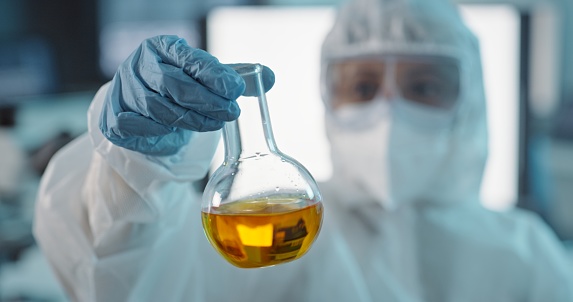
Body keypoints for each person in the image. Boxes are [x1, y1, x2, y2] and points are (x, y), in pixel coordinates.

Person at [33, 0, 573, 301]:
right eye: (362, 87)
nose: (388, 112)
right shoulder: (276, 246)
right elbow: (133, 284)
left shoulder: (528, 259)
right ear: (325, 96)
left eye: (424, 86)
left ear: (471, 101)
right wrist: (139, 168)